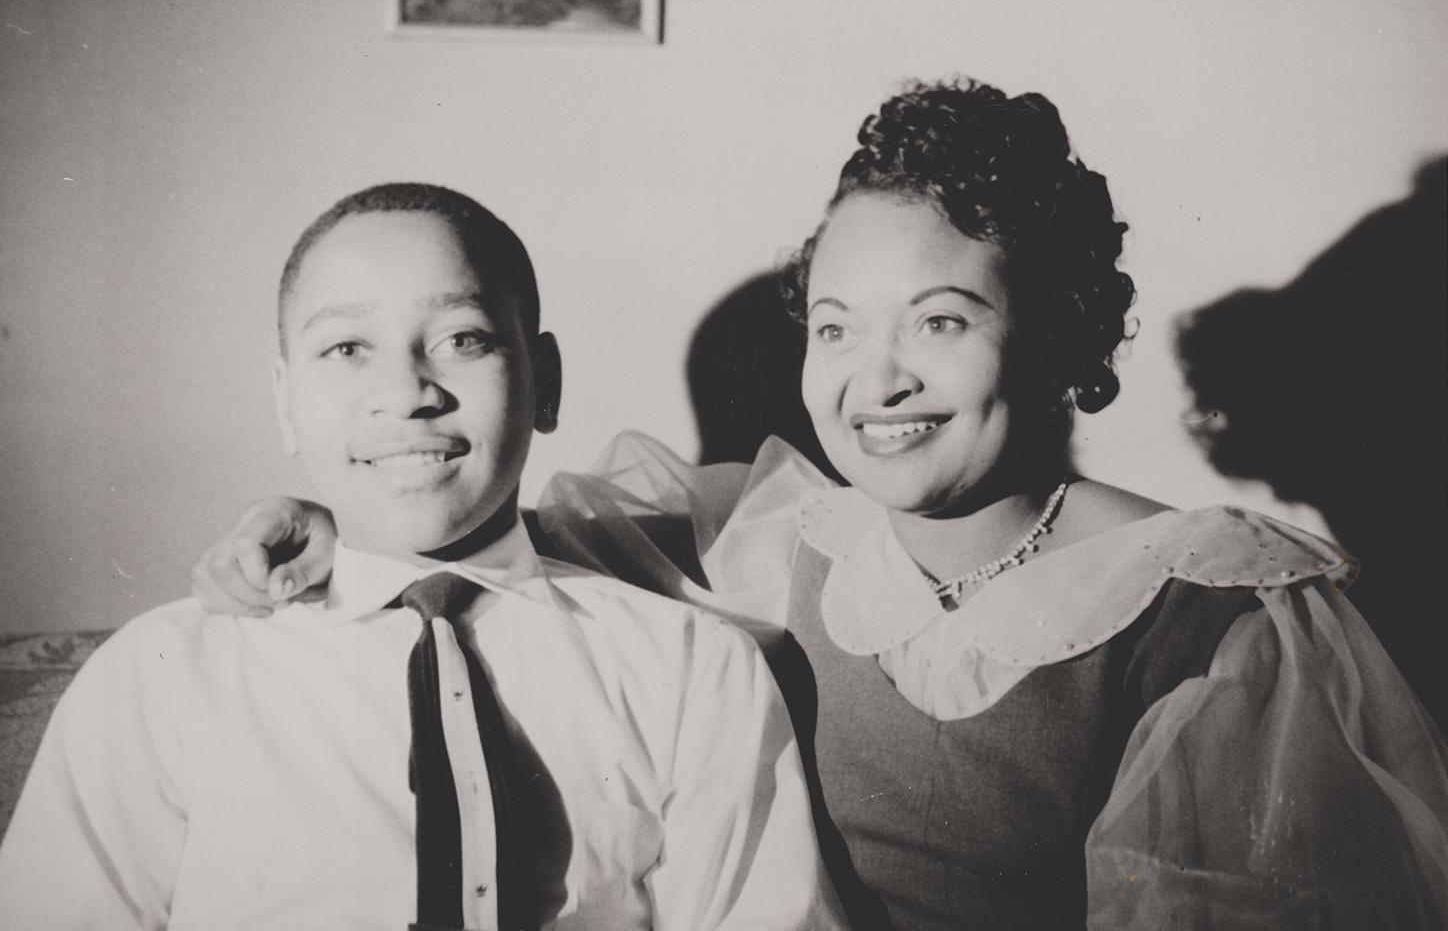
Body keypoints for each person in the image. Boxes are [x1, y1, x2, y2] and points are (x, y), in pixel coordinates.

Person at [192, 86, 1448, 930]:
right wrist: (317, 511)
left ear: (1054, 333)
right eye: (835, 327)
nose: (874, 378)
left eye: (940, 322)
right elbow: (492, 531)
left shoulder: (1194, 606)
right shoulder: (785, 536)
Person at [0, 183, 844, 931]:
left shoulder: (694, 670)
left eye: (462, 339)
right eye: (346, 349)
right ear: (286, 402)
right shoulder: (159, 679)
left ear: (544, 382)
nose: (407, 392)